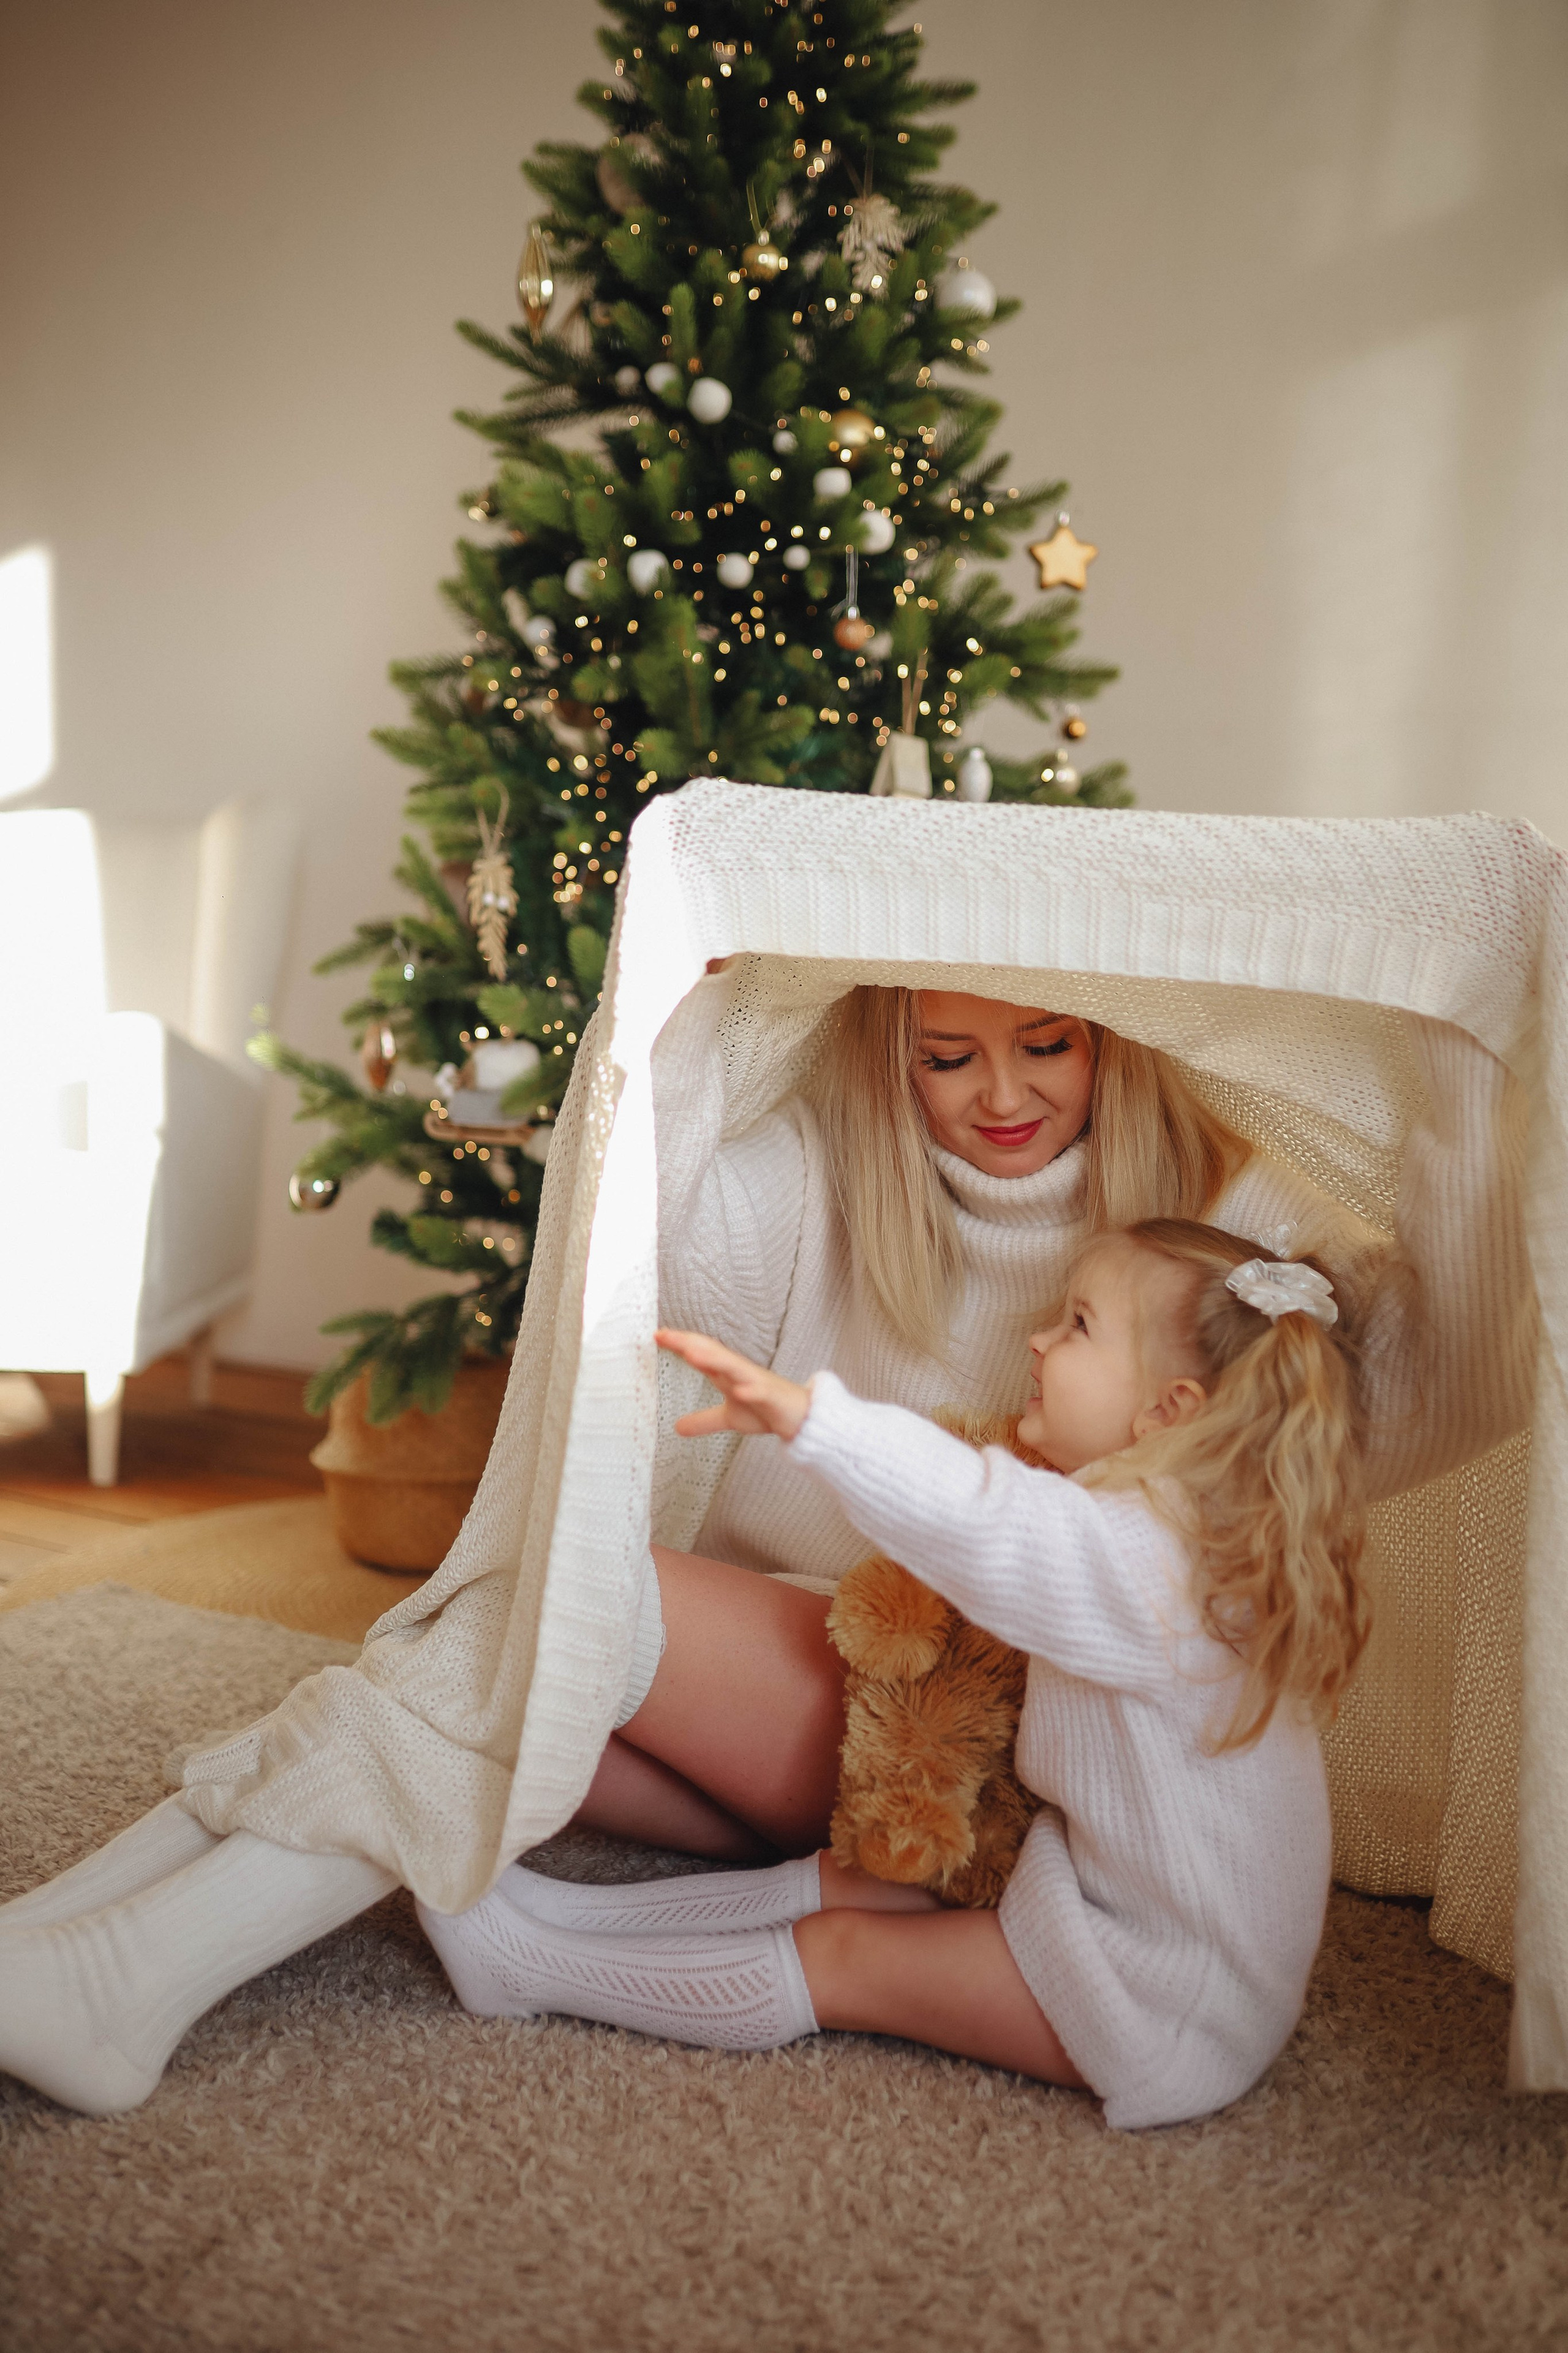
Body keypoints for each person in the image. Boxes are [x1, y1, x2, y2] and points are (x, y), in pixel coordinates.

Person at [0, 986, 1526, 2115]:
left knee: (556, 1640)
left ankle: (131, 1976)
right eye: (946, 1054)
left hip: (990, 1797)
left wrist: (1467, 1061)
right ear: (888, 1050)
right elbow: (635, 1231)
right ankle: (82, 1945)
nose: (1001, 1091)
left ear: (1111, 1033)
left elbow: (1440, 1361)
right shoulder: (816, 1172)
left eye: (1046, 1042)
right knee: (463, 1661)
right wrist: (677, 1007)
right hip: (927, 1741)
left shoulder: (1222, 1255)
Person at [418, 1219, 1370, 2130]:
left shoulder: (1145, 1559)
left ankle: (536, 1970)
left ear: (1169, 1411)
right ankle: (573, 1916)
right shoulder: (1190, 1532)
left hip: (1164, 1998)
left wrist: (811, 1419)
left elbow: (983, 1518)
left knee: (850, 1954)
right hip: (1119, 1911)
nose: (1038, 1341)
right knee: (866, 1884)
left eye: (1077, 1325)